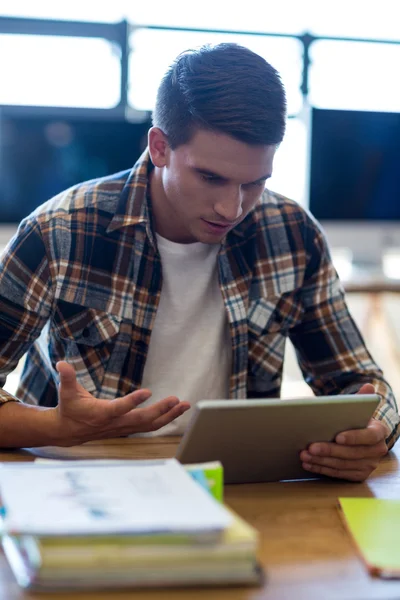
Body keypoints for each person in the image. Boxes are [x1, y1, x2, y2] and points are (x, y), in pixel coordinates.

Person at [0, 43, 397, 482]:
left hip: (235, 482)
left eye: (255, 183)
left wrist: (375, 430)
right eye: (211, 178)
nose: (231, 208)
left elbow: (359, 380)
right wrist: (57, 426)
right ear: (159, 147)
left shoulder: (291, 233)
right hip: (77, 481)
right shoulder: (59, 231)